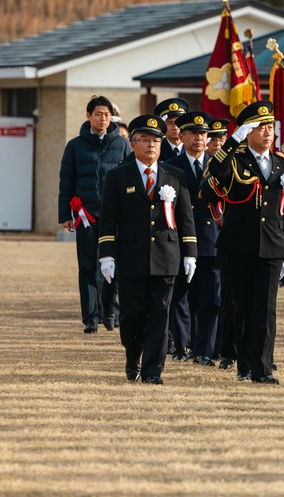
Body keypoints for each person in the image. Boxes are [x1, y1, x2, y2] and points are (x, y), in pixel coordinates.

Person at [203, 100, 284, 384]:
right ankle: (244, 365)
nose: (267, 133)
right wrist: (232, 141)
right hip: (238, 245)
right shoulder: (233, 159)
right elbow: (214, 175)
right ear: (248, 132)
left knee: (266, 311)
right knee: (242, 307)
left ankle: (263, 370)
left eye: (270, 127)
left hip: (272, 246)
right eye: (260, 128)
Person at [97, 114, 197, 384]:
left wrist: (190, 254)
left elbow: (186, 219)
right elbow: (108, 220)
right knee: (132, 317)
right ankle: (133, 357)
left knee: (160, 316)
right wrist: (106, 255)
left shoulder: (175, 176)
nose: (151, 145)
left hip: (166, 257)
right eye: (145, 140)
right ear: (132, 144)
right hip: (131, 258)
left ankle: (153, 371)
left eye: (156, 140)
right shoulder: (118, 176)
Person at [58, 96, 131, 333]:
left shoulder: (122, 145)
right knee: (87, 267)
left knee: (115, 266)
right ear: (88, 116)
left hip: (116, 218)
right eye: (98, 114)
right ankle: (90, 317)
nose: (103, 118)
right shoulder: (75, 146)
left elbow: (132, 180)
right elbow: (66, 183)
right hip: (85, 216)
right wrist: (65, 214)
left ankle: (112, 313)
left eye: (107, 114)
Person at [167, 111, 222, 366]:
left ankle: (204, 351)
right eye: (192, 133)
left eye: (203, 134)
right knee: (179, 297)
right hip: (179, 241)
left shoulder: (218, 165)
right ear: (182, 135)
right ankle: (180, 346)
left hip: (210, 241)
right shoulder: (170, 166)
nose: (198, 138)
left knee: (210, 299)